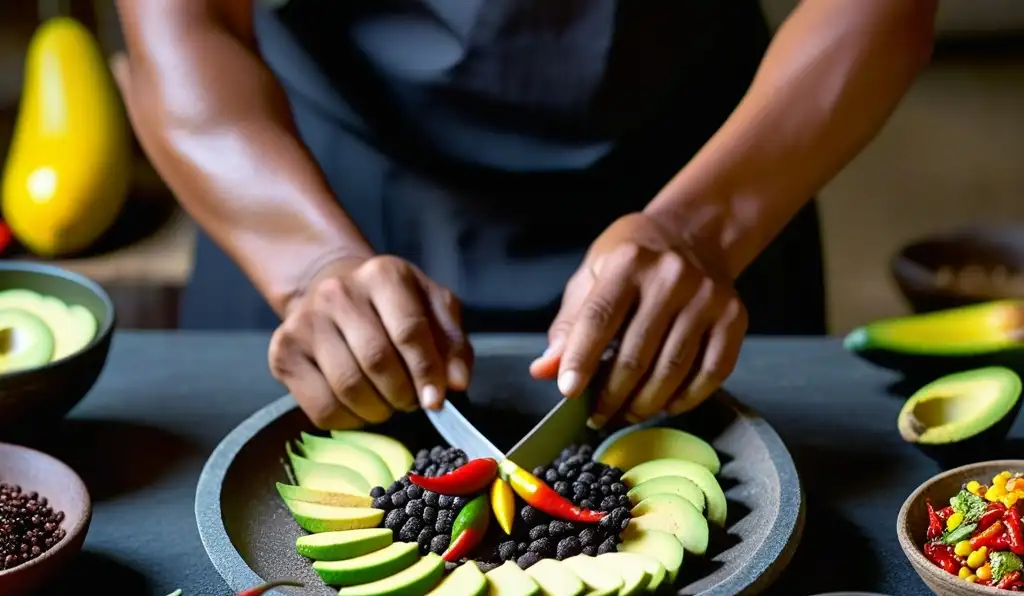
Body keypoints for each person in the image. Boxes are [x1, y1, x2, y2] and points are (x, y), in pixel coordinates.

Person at [112, 0, 937, 430]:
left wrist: (703, 228)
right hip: (321, 181)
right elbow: (185, 18)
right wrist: (306, 266)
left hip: (714, 167)